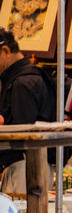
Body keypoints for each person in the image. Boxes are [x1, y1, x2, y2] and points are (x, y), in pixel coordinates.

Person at [0, 27, 55, 188]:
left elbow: (23, 133)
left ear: (5, 51)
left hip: (25, 167)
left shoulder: (22, 83)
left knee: (23, 212)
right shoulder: (26, 77)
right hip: (28, 164)